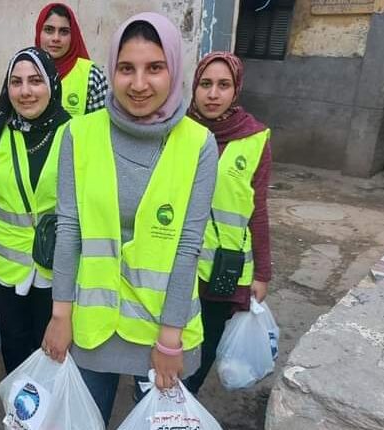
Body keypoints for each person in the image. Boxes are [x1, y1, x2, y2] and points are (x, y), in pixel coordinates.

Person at [41, 13, 219, 426]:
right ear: (112, 71)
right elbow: (69, 230)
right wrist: (61, 315)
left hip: (163, 327)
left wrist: (170, 338)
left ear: (174, 69)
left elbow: (188, 246)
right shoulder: (78, 135)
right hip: (92, 322)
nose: (139, 84)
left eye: (154, 68)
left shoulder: (199, 144)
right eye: (126, 68)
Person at [0, 47, 71, 374]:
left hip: (54, 265)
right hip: (5, 263)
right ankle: (17, 398)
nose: (25, 91)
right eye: (16, 82)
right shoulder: (0, 131)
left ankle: (47, 401)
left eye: (35, 81)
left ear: (51, 84)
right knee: (13, 338)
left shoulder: (75, 134)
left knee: (50, 343)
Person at [183, 52, 272, 395]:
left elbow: (258, 209)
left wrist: (262, 273)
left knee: (205, 343)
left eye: (223, 85)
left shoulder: (255, 138)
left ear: (236, 90)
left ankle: (183, 402)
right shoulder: (177, 130)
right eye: (205, 84)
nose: (213, 94)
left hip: (224, 267)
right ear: (194, 87)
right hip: (177, 262)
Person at [35, 3, 108, 116]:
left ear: (73, 36)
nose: (56, 38)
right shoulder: (25, 70)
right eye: (49, 30)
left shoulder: (91, 76)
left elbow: (100, 124)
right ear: (39, 32)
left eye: (64, 31)